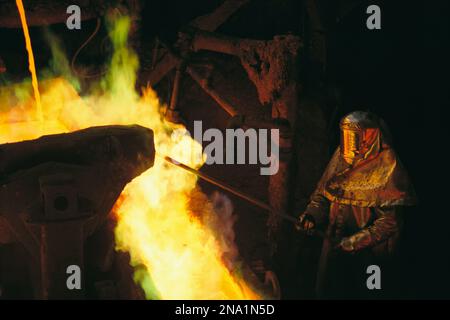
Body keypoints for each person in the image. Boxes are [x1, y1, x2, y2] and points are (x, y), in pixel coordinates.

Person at [296, 110, 416, 299]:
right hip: (334, 244)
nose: (349, 144)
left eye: (354, 137)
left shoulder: (386, 165)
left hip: (369, 254)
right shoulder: (341, 158)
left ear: (369, 138)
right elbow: (323, 196)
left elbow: (389, 223)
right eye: (346, 136)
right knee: (329, 292)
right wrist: (312, 215)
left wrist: (353, 242)